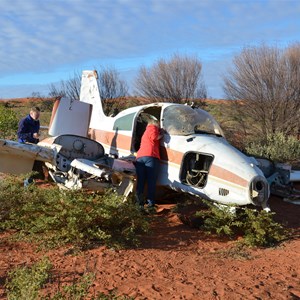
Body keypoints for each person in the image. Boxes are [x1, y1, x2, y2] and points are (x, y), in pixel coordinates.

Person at [135, 117, 164, 210]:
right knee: (151, 181)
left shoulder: (145, 132)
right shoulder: (153, 128)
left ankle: (139, 204)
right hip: (150, 156)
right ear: (155, 123)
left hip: (140, 157)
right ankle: (150, 204)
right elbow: (154, 137)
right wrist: (162, 134)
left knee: (141, 181)